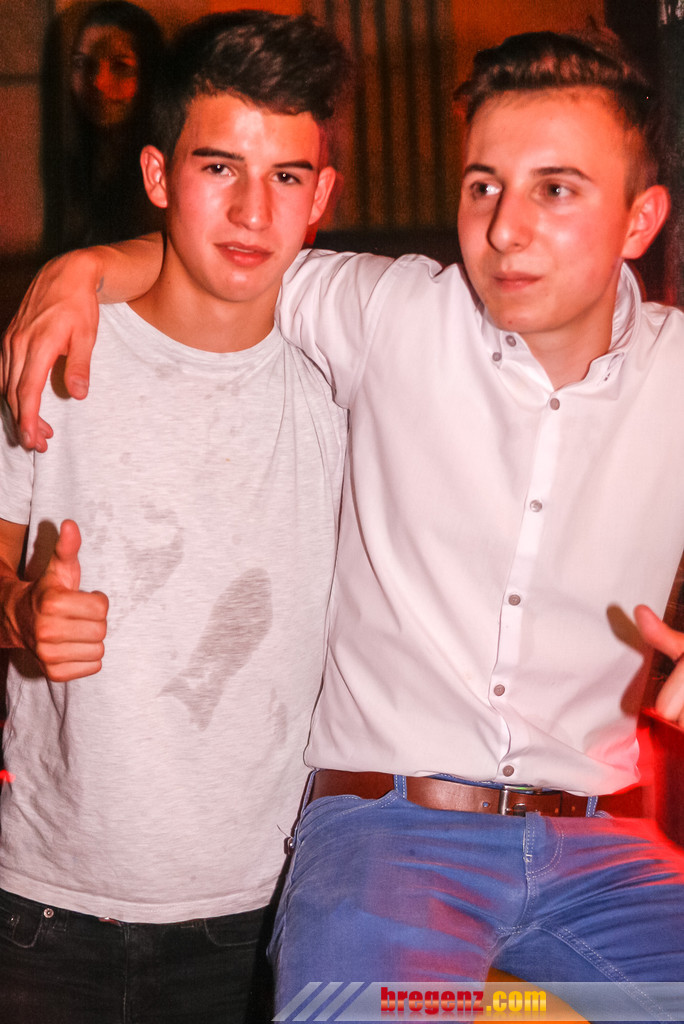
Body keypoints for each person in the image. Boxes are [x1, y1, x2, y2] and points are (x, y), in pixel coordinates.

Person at [4, 28, 684, 1023]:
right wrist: (81, 270)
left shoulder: (672, 376)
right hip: (367, 838)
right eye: (484, 186)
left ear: (641, 218)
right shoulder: (386, 315)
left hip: (590, 848)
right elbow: (228, 259)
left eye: (556, 189)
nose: (506, 229)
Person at [0, 10, 348, 1024]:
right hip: (42, 904)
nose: (251, 210)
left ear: (321, 197)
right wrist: (19, 609)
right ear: (158, 175)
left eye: (285, 175)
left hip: (265, 908)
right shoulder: (60, 350)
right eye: (218, 167)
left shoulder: (351, 378)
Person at [42, 0, 166, 253]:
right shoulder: (79, 160)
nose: (98, 82)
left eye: (120, 67)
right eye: (83, 64)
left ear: (151, 75)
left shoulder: (166, 168)